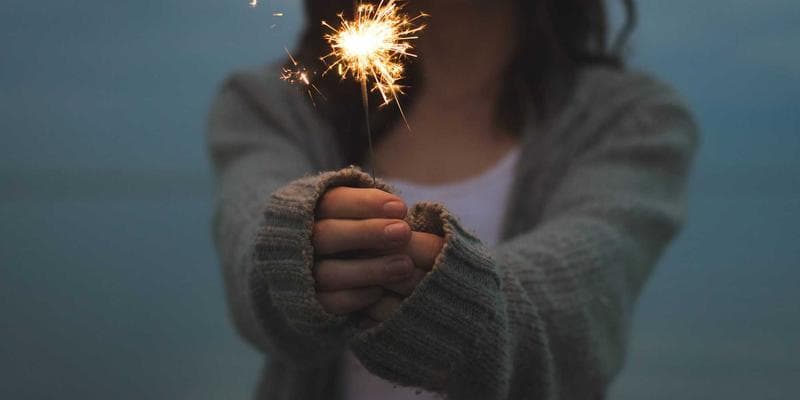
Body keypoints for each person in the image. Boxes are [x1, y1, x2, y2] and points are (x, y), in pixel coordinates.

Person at [207, 0, 698, 398]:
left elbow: (587, 297)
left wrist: (457, 297)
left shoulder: (632, 120)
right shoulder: (272, 104)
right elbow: (251, 244)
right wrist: (296, 251)